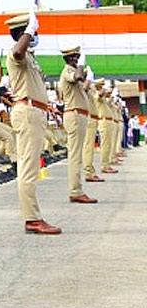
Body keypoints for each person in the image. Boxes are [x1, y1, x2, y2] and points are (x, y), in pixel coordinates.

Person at [5, 10, 61, 235]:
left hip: (34, 112)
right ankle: (32, 218)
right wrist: (28, 30)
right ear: (23, 33)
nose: (35, 35)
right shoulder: (16, 53)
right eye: (32, 31)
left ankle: (33, 217)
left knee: (30, 166)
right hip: (27, 112)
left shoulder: (30, 57)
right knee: (28, 168)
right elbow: (18, 50)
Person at [58, 46, 97, 204]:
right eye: (77, 58)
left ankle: (77, 189)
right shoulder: (68, 71)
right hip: (73, 115)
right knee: (75, 155)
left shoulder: (73, 73)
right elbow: (78, 77)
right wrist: (80, 66)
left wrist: (89, 79)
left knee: (77, 155)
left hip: (79, 115)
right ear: (72, 59)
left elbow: (83, 87)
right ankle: (75, 190)